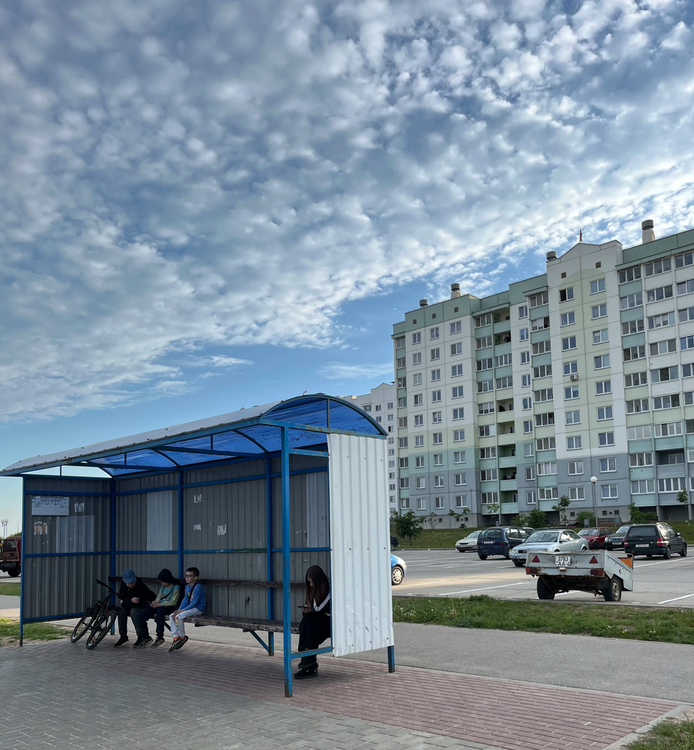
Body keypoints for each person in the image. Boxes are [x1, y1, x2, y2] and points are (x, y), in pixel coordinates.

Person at [295, 565, 331, 679]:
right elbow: (316, 611)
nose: (310, 585)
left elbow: (322, 611)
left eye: (312, 582)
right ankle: (309, 665)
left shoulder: (330, 591)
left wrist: (312, 613)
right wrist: (307, 611)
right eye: (309, 582)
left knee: (309, 630)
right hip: (317, 624)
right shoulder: (314, 592)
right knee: (308, 625)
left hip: (330, 624)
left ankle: (308, 664)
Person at [133, 568, 181, 649]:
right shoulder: (163, 588)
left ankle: (160, 637)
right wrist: (154, 603)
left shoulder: (175, 587)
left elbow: (173, 602)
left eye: (163, 582)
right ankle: (145, 637)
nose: (162, 584)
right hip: (159, 605)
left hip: (168, 606)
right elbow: (159, 597)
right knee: (142, 615)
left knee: (159, 615)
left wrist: (159, 604)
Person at [114, 569, 156, 648]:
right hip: (131, 604)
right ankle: (123, 636)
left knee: (134, 612)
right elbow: (121, 597)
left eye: (133, 582)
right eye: (129, 583)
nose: (131, 584)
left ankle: (141, 636)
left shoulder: (140, 585)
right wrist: (130, 600)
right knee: (121, 611)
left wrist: (126, 601)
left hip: (144, 604)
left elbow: (139, 602)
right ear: (123, 581)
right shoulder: (123, 585)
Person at [168, 567, 206, 652]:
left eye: (190, 576)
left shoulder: (198, 587)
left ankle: (182, 637)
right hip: (189, 608)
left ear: (195, 577)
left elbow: (194, 602)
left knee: (179, 617)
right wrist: (178, 610)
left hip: (197, 608)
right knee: (172, 616)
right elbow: (185, 600)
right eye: (186, 575)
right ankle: (175, 637)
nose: (187, 578)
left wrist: (181, 611)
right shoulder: (187, 587)